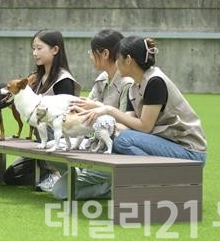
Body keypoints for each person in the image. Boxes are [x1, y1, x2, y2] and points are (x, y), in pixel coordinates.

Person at [73, 36, 207, 164]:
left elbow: (145, 127)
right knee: (113, 135)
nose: (116, 63)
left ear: (128, 60)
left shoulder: (155, 81)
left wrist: (108, 110)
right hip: (168, 143)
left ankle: (152, 176)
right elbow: (127, 123)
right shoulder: (134, 85)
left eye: (118, 59)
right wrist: (93, 120)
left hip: (189, 151)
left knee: (121, 140)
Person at [51, 29, 133, 200]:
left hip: (113, 149)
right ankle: (85, 174)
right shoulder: (102, 78)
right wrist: (79, 109)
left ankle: (111, 188)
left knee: (60, 192)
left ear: (104, 53)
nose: (89, 56)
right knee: (52, 146)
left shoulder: (128, 83)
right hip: (91, 141)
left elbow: (128, 125)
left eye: (91, 52)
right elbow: (86, 108)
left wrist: (96, 108)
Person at [2, 29, 80, 190]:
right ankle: (46, 173)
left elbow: (66, 117)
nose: (34, 53)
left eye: (39, 48)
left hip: (58, 136)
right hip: (40, 139)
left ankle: (56, 173)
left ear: (55, 50)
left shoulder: (63, 80)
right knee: (10, 176)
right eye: (33, 48)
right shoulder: (36, 78)